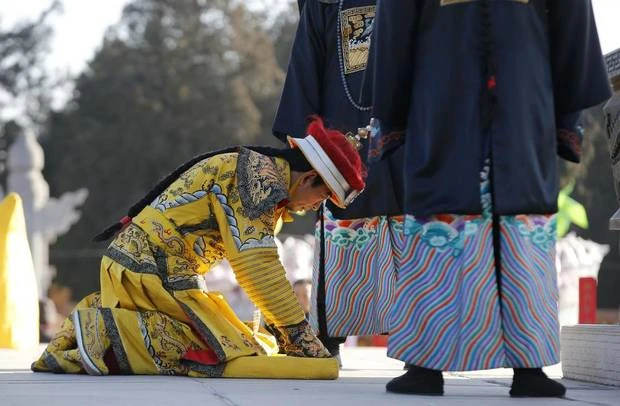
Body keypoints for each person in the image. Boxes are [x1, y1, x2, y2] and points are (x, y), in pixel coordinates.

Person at [363, 0, 611, 397]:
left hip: (521, 107)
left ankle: (528, 366)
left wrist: (565, 114)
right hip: (443, 108)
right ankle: (425, 364)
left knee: (521, 227)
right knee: (441, 224)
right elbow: (395, 26)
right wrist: (393, 111)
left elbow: (572, 27)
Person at [31, 117, 365, 378]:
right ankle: (98, 332)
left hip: (155, 269)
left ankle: (96, 330)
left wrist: (289, 332)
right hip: (150, 270)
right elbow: (257, 267)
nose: (312, 207)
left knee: (244, 345)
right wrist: (298, 335)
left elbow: (256, 265)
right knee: (218, 353)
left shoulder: (260, 175)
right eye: (320, 197)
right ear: (307, 178)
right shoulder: (258, 179)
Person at [273, 0, 404, 362]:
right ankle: (330, 334)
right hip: (344, 136)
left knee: (416, 225)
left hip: (407, 130)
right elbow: (305, 65)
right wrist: (304, 146)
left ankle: (422, 337)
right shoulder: (324, 3)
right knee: (343, 222)